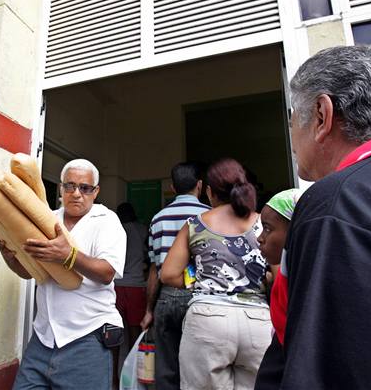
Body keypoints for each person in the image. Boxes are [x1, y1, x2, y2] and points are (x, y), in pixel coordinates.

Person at [255, 45, 371, 389]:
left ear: (322, 115)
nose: (291, 134)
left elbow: (337, 371)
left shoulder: (342, 203)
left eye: (293, 116)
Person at [0, 158, 126, 390]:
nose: (77, 193)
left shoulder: (106, 221)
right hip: (43, 337)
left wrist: (69, 255)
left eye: (85, 188)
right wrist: (10, 257)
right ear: (61, 188)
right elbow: (30, 273)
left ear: (95, 192)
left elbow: (107, 272)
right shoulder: (47, 219)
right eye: (70, 186)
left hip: (87, 338)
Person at [161, 158, 271, 390]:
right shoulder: (263, 222)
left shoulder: (196, 224)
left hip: (208, 318)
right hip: (258, 321)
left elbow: (168, 274)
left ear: (209, 192)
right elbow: (279, 273)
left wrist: (199, 279)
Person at [141, 162, 210, 389]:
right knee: (199, 370)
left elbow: (154, 269)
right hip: (201, 297)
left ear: (172, 187)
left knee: (166, 369)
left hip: (166, 297)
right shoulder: (210, 217)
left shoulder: (158, 219)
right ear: (199, 186)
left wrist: (149, 310)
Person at [255, 189, 300, 387]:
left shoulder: (303, 277)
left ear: (295, 230)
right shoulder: (286, 272)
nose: (260, 238)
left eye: (267, 228)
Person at [113, 202, 148, 381]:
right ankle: (135, 374)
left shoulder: (115, 230)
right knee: (135, 331)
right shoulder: (142, 230)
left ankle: (113, 378)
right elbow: (148, 257)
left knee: (115, 330)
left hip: (117, 285)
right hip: (136, 285)